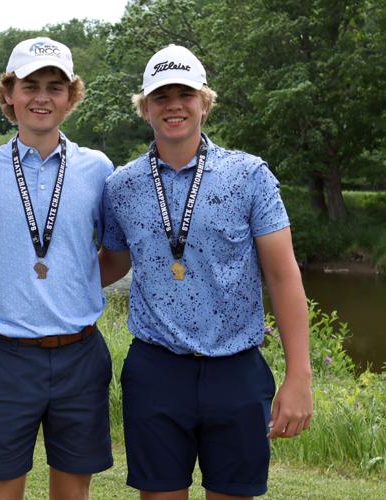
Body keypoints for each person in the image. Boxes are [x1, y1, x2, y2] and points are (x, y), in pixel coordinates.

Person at [99, 44, 313, 499]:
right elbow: (111, 265)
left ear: (204, 102)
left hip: (236, 371)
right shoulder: (121, 185)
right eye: (161, 96)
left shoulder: (249, 175)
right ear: (145, 107)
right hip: (155, 370)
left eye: (185, 93)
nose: (173, 104)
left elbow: (283, 276)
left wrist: (299, 376)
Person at [0, 37, 115, 500]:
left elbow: (113, 255)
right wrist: (4, 274)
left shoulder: (97, 169)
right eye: (29, 85)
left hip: (80, 354)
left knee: (72, 491)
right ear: (8, 93)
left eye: (54, 86)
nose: (42, 97)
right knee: (2, 491)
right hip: (7, 356)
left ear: (71, 97)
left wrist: (68, 279)